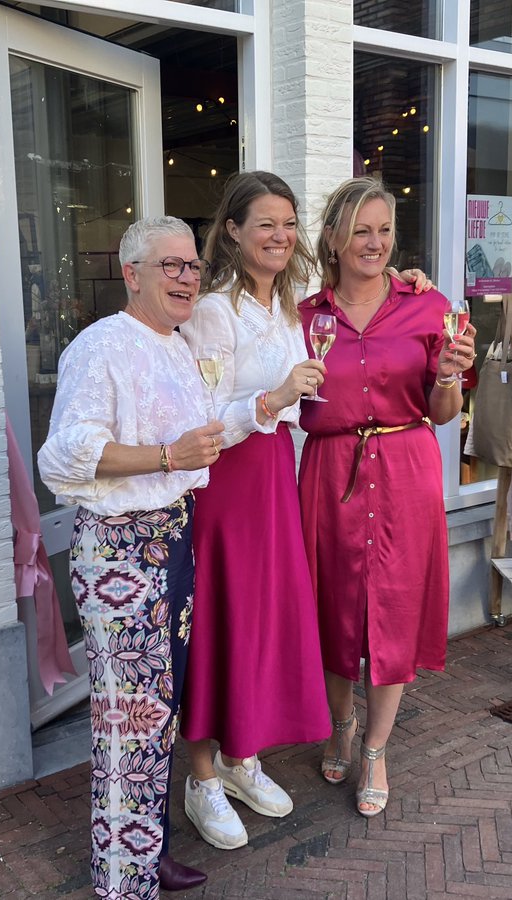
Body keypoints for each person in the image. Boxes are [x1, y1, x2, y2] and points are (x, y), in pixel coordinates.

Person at [176, 171, 436, 850]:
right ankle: (202, 776)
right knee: (218, 621)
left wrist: (409, 282)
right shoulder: (215, 311)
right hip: (229, 481)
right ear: (231, 231)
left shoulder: (294, 305)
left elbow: (374, 307)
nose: (278, 235)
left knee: (261, 621)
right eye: (264, 223)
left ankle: (242, 759)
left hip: (276, 477)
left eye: (287, 223)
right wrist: (271, 401)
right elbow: (200, 419)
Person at [36, 216, 224, 897]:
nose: (186, 277)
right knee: (128, 716)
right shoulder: (102, 347)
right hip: (122, 549)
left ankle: (151, 851)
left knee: (160, 705)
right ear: (132, 274)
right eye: (170, 265)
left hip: (172, 534)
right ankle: (123, 879)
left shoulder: (177, 343)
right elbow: (64, 453)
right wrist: (169, 457)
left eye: (193, 266)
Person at [297, 177, 476, 817]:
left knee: (395, 609)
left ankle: (375, 747)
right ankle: (341, 722)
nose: (374, 243)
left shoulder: (429, 307)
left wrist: (451, 376)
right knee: (333, 604)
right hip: (330, 470)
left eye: (383, 230)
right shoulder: (305, 316)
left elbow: (445, 411)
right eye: (360, 231)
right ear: (334, 240)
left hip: (406, 465)